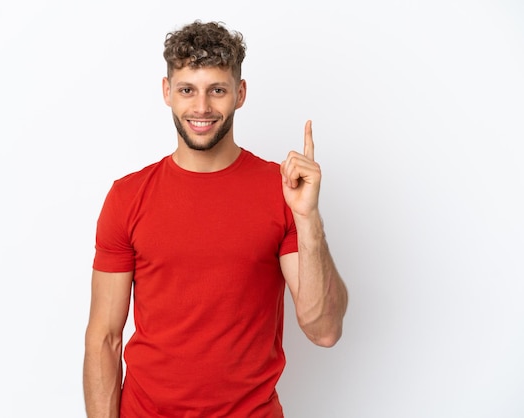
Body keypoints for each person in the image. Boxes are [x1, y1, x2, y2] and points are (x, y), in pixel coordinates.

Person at [83, 20, 348, 418]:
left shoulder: (281, 192)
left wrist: (308, 218)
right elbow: (104, 338)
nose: (202, 107)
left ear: (239, 94)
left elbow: (323, 329)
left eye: (217, 90)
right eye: (188, 89)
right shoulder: (128, 197)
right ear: (167, 92)